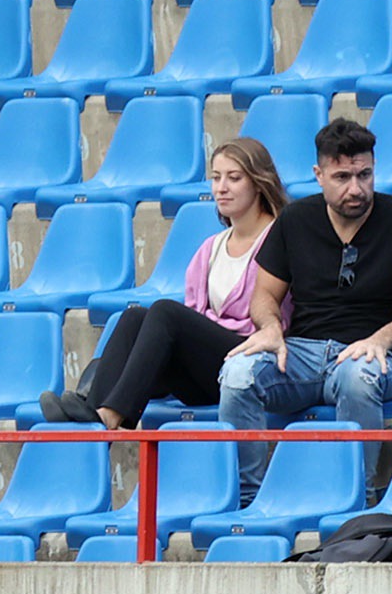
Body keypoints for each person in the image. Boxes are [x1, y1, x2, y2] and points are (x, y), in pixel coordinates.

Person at [218, 117, 392, 506]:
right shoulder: (295, 219)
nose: (356, 188)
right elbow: (264, 295)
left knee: (358, 374)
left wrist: (380, 340)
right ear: (319, 175)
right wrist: (270, 327)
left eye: (364, 175)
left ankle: (357, 499)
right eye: (342, 177)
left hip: (382, 356)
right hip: (304, 354)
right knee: (238, 374)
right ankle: (247, 502)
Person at [42, 137, 288, 429]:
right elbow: (195, 318)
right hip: (204, 371)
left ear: (259, 183)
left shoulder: (280, 238)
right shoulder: (211, 247)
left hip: (248, 364)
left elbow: (278, 318)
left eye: (234, 178)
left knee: (165, 312)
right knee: (133, 317)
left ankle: (108, 415)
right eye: (216, 178)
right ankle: (93, 413)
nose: (221, 188)